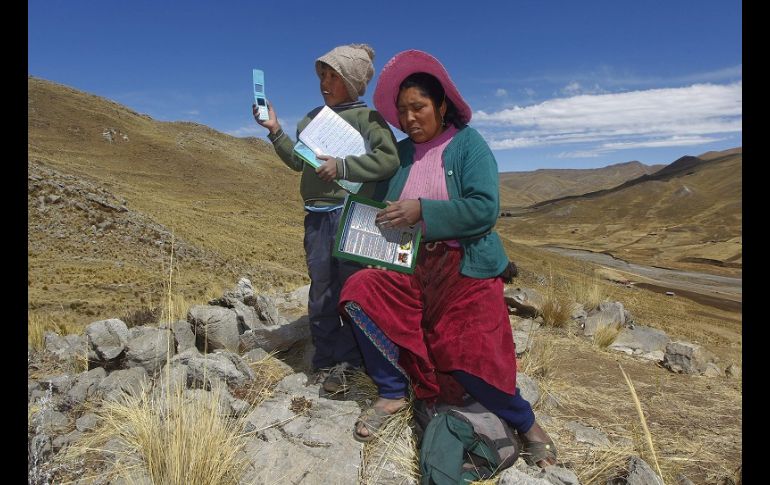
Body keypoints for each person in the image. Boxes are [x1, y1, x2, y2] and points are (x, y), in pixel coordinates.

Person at [338, 49, 557, 468]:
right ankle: (390, 393)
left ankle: (526, 423)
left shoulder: (469, 146)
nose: (409, 119)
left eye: (418, 107)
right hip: (410, 266)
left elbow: (484, 208)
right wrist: (355, 217)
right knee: (359, 289)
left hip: (465, 267)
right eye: (402, 111)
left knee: (469, 355)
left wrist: (424, 210)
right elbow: (372, 201)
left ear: (441, 105)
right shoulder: (400, 156)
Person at [253, 43, 399, 396]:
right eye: (323, 75)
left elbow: (388, 159)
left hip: (353, 215)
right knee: (321, 290)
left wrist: (344, 166)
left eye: (334, 76)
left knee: (352, 290)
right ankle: (324, 360)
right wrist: (275, 130)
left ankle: (350, 362)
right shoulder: (311, 119)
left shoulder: (369, 120)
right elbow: (298, 161)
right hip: (317, 217)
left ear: (352, 82)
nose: (325, 82)